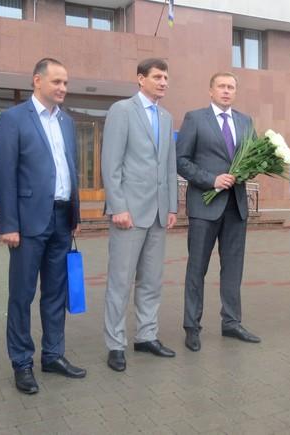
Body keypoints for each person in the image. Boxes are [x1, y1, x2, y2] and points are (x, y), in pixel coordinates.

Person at [0, 58, 85, 396]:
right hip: (27, 222)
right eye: (57, 81)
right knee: (22, 295)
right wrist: (9, 223)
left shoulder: (66, 122)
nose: (63, 88)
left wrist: (74, 216)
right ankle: (21, 362)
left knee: (56, 292)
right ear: (37, 81)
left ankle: (53, 354)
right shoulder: (14, 118)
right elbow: (4, 172)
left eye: (66, 83)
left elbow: (70, 170)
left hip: (61, 219)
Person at [101, 58, 178, 372]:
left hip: (158, 213)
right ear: (140, 79)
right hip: (129, 213)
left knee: (151, 280)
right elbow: (111, 163)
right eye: (157, 77)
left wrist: (171, 206)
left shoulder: (166, 117)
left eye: (166, 78)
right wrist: (118, 206)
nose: (163, 82)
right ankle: (115, 344)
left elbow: (169, 165)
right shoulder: (122, 110)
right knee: (120, 282)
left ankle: (147, 335)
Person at [176, 72, 260, 351]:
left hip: (236, 207)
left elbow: (254, 159)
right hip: (205, 205)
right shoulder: (195, 118)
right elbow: (181, 160)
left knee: (233, 269)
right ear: (211, 91)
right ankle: (192, 326)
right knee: (196, 268)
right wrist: (211, 180)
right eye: (221, 86)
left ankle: (232, 322)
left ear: (235, 92)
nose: (226, 91)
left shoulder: (245, 121)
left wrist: (245, 171)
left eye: (231, 87)